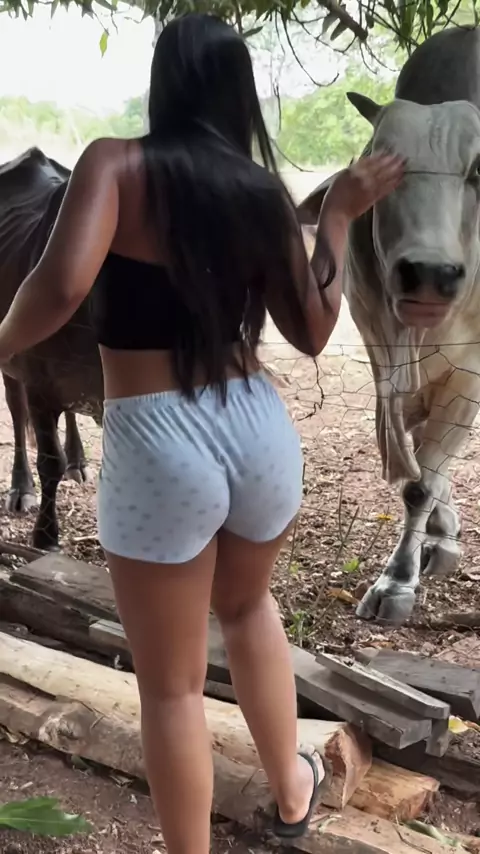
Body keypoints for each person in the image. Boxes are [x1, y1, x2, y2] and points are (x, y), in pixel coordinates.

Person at [0, 13, 403, 854]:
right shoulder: (257, 191)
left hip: (158, 439)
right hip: (258, 429)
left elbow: (62, 285)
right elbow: (313, 331)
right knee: (251, 608)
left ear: (165, 84)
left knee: (173, 689)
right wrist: (337, 215)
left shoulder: (114, 163)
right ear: (237, 93)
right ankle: (292, 792)